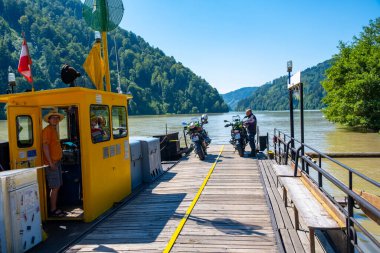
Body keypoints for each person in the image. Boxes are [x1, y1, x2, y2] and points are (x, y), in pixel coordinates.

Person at [42, 109, 65, 217]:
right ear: (49, 120)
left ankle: (55, 207)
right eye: (53, 118)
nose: (55, 119)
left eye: (57, 118)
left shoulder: (54, 130)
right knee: (55, 187)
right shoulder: (47, 130)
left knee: (58, 185)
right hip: (52, 163)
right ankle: (53, 209)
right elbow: (45, 146)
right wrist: (50, 163)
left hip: (57, 161)